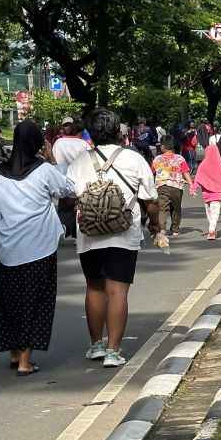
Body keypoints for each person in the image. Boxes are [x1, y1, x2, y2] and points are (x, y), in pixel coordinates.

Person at [0, 120, 74, 376]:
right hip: (39, 248)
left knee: (9, 301)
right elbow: (67, 188)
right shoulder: (43, 170)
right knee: (36, 302)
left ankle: (13, 353)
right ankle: (25, 362)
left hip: (7, 249)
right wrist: (52, 159)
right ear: (36, 143)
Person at [66, 108, 160, 368]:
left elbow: (68, 197)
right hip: (124, 233)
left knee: (94, 288)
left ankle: (95, 345)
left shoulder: (80, 162)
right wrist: (156, 225)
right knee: (117, 291)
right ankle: (113, 350)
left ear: (90, 134)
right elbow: (150, 200)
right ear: (119, 132)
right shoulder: (134, 159)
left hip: (89, 234)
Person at [51, 119, 88, 239]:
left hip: (63, 180)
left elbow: (54, 161)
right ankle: (77, 231)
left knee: (65, 208)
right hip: (80, 180)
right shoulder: (83, 144)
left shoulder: (58, 143)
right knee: (80, 207)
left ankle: (65, 227)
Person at [192, 135, 221, 240]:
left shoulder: (203, 165)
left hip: (206, 195)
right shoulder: (219, 164)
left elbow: (198, 178)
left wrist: (193, 189)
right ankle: (212, 230)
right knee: (215, 213)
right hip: (216, 194)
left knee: (209, 214)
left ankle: (211, 229)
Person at [152, 135, 191, 237]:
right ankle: (175, 230)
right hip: (176, 187)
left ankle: (162, 229)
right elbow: (185, 172)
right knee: (176, 208)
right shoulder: (180, 158)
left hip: (162, 186)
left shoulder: (157, 159)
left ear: (163, 146)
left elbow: (151, 172)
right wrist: (191, 184)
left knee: (162, 208)